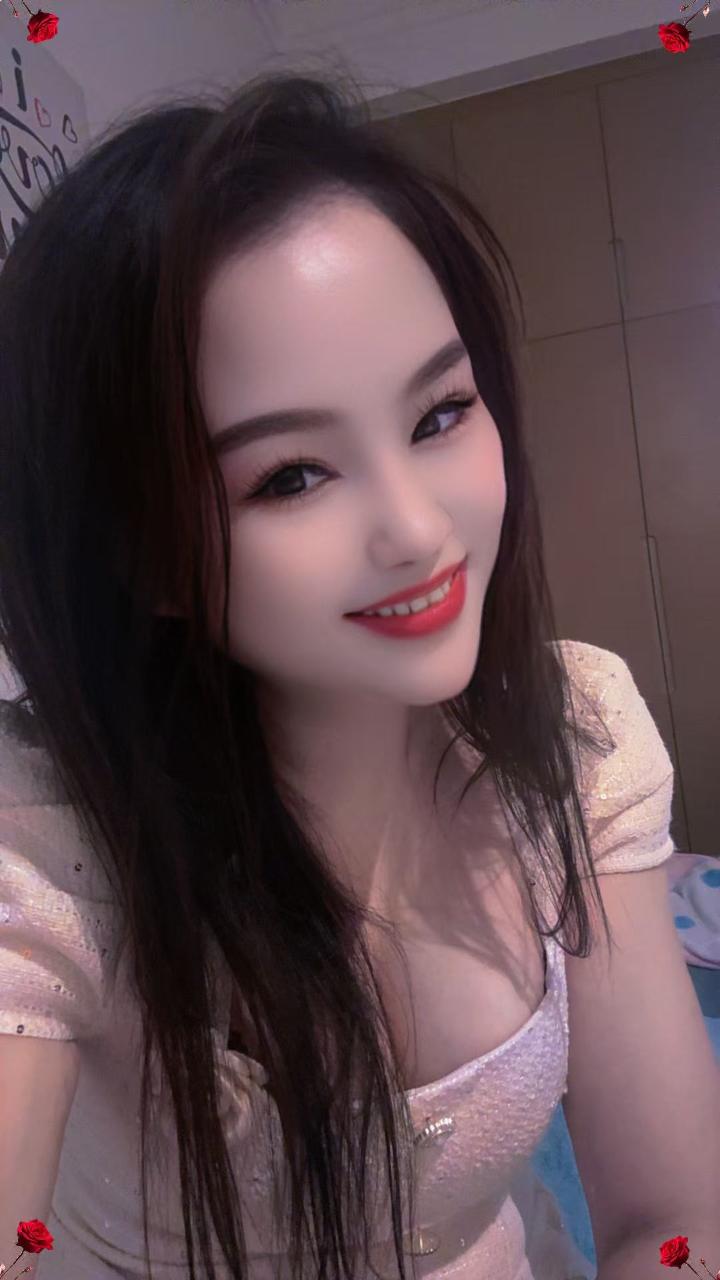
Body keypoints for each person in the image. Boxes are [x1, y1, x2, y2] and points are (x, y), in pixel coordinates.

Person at [0, 69, 712, 1280]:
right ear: (143, 549)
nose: (419, 530)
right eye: (291, 475)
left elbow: (672, 1219)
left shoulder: (575, 739)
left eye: (439, 413)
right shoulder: (51, 841)